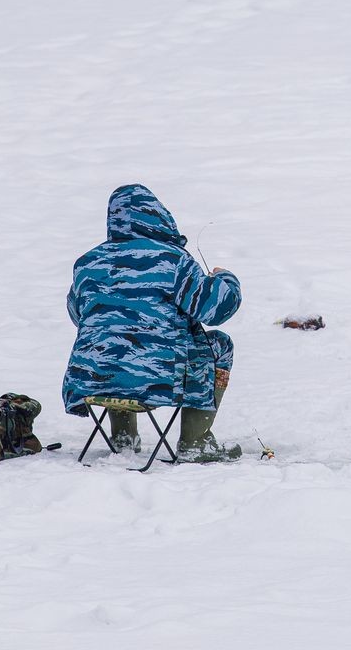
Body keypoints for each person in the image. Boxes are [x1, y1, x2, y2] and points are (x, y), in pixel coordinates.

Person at [62, 184, 243, 462]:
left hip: (91, 378)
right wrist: (225, 279)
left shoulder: (87, 263)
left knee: (115, 346)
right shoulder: (174, 260)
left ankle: (123, 438)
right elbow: (215, 311)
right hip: (158, 377)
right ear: (158, 216)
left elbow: (79, 317)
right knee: (221, 344)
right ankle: (195, 441)